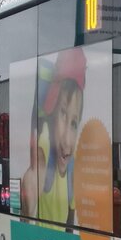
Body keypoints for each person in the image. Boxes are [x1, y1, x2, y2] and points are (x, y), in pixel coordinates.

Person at [21, 47, 86, 225]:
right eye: (62, 113)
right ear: (51, 117)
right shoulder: (45, 147)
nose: (66, 140)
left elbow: (70, 221)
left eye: (74, 123)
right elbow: (34, 175)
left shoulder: (73, 166)